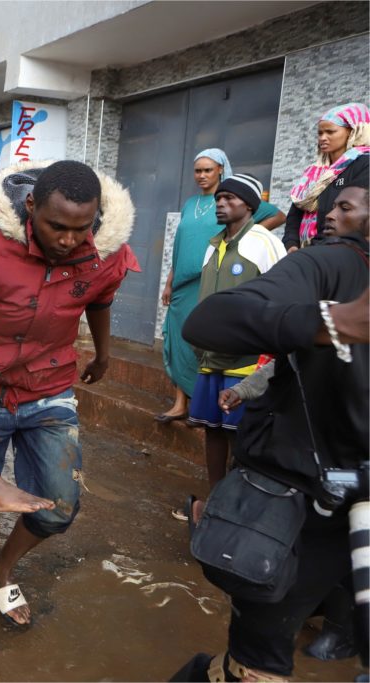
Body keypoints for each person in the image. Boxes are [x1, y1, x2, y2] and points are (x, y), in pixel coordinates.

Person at [0, 160, 139, 640]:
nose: (68, 240)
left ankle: (1, 568)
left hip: (49, 388)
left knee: (60, 506)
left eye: (80, 229)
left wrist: (103, 353)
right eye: (56, 226)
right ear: (30, 208)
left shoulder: (105, 251)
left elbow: (100, 300)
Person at [172, 182, 368, 683]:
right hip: (300, 500)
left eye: (345, 206)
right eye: (334, 204)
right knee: (254, 664)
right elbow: (214, 318)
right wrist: (334, 320)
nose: (329, 214)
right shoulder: (332, 265)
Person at [158, 149, 284, 425]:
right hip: (186, 282)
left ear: (220, 170)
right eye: (197, 170)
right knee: (180, 339)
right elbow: (180, 244)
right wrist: (170, 279)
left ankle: (198, 402)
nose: (201, 175)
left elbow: (278, 215)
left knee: (207, 336)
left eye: (208, 170)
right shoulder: (192, 204)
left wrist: (249, 234)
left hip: (214, 286)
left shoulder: (244, 213)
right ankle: (181, 402)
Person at [186, 174, 286, 503]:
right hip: (211, 356)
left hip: (247, 360)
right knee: (212, 428)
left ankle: (238, 503)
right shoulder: (214, 244)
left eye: (229, 198)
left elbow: (283, 296)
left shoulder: (264, 242)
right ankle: (215, 497)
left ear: (249, 205)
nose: (221, 204)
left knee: (241, 434)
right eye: (218, 198)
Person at [283, 102, 370, 253]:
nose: (323, 138)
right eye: (320, 133)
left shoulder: (364, 165)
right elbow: (294, 213)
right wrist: (291, 244)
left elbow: (356, 216)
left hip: (338, 252)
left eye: (330, 132)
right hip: (305, 253)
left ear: (353, 131)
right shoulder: (313, 172)